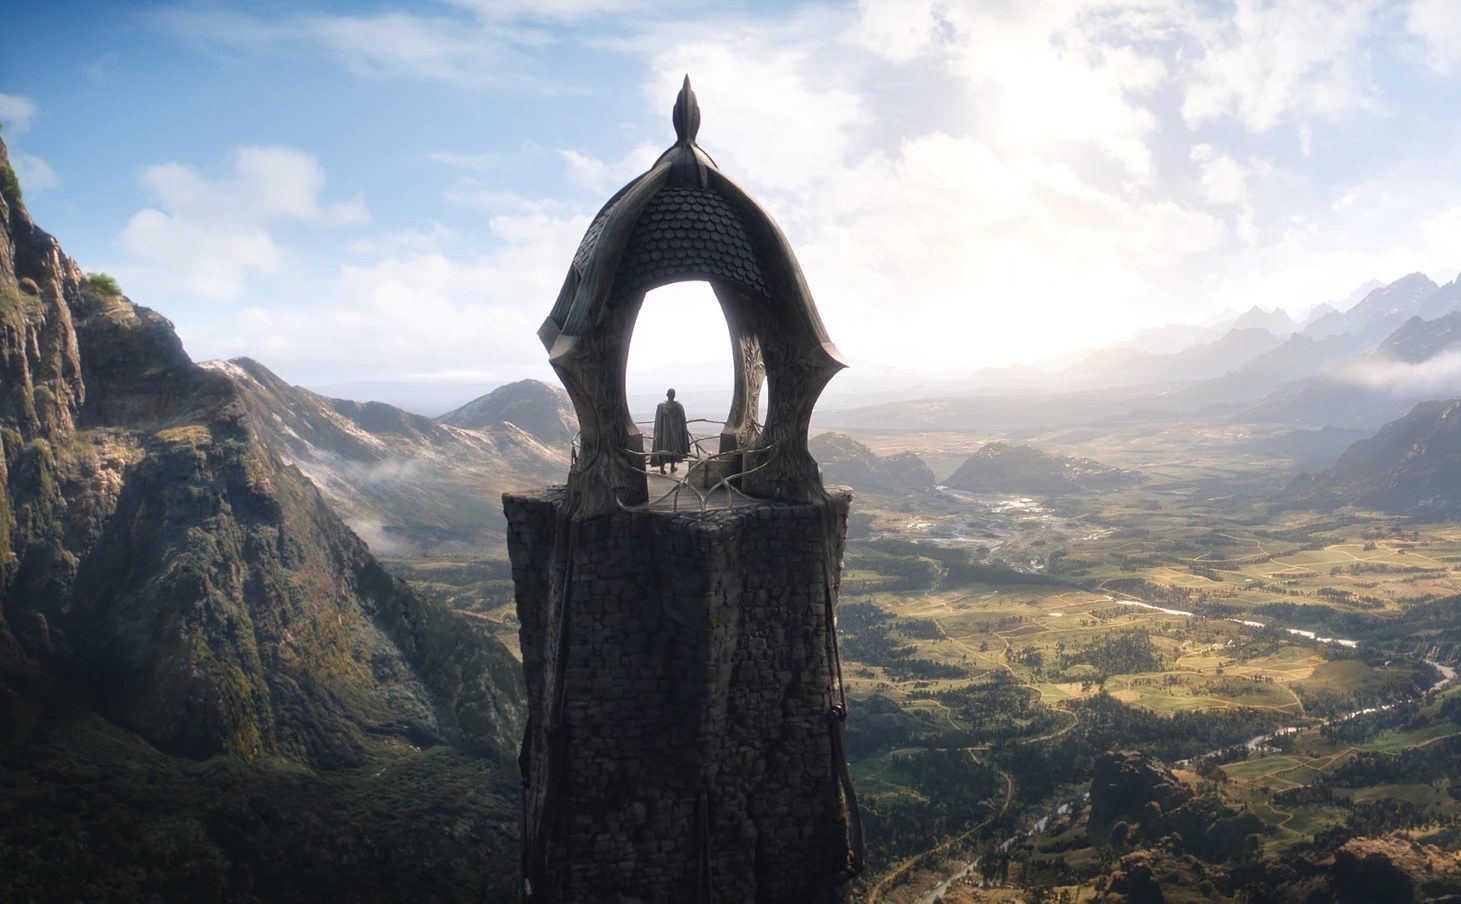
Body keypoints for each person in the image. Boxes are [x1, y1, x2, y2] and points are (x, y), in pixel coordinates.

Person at [651, 388, 691, 474]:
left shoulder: (661, 407)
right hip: (675, 433)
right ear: (674, 395)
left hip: (664, 434)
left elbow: (658, 422)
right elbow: (682, 422)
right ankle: (672, 467)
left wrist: (658, 433)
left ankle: (662, 468)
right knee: (674, 448)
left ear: (667, 395)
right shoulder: (679, 407)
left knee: (663, 448)